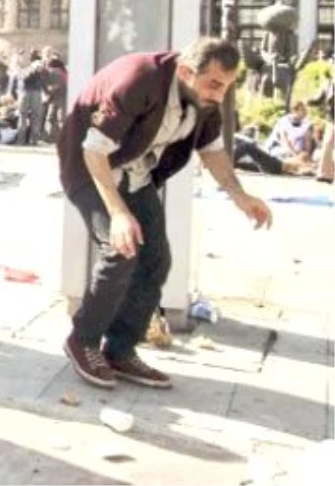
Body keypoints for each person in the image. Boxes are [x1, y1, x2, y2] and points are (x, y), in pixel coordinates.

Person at [58, 37, 273, 390]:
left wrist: (240, 195)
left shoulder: (202, 98)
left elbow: (212, 150)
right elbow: (94, 153)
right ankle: (82, 340)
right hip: (89, 168)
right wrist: (118, 214)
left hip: (136, 174)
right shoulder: (138, 79)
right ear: (187, 72)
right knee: (121, 249)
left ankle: (120, 350)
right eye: (215, 84)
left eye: (227, 86)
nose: (219, 96)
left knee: (156, 259)